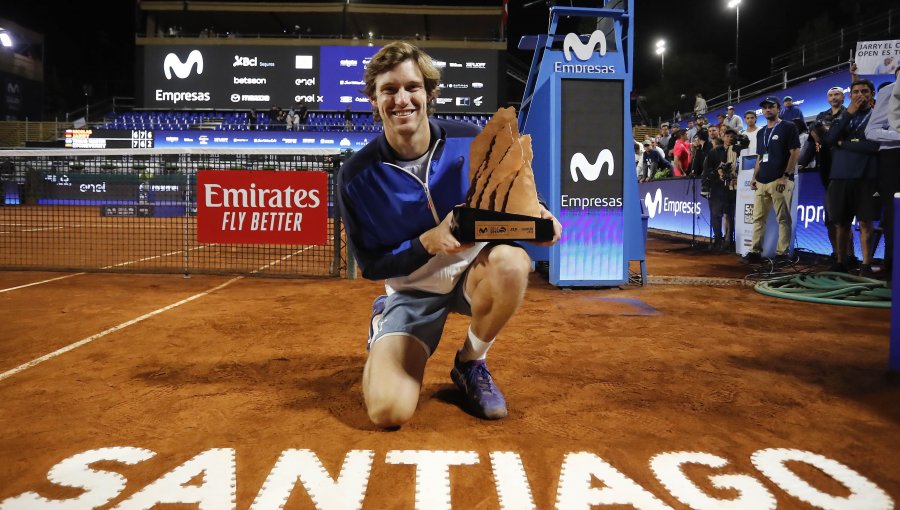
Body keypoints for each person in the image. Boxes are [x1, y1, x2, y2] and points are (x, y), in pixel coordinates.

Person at [336, 41, 562, 428]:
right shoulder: (356, 176)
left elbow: (517, 194)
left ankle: (471, 363)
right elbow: (371, 265)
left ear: (429, 93)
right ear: (374, 99)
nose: (401, 99)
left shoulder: (472, 138)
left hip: (474, 271)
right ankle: (384, 323)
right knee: (388, 412)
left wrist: (540, 215)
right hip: (412, 290)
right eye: (388, 90)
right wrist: (426, 242)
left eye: (412, 87)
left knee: (511, 263)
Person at [824, 79, 880, 275]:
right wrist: (848, 114)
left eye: (864, 91)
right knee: (841, 223)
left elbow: (875, 146)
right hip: (840, 177)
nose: (860, 95)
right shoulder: (842, 117)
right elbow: (829, 140)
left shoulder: (878, 117)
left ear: (872, 94)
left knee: (865, 222)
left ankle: (866, 264)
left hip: (867, 177)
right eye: (855, 91)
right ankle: (841, 261)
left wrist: (845, 145)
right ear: (850, 96)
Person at [742, 96, 801, 264]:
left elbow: (795, 152)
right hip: (762, 181)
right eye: (765, 107)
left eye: (771, 106)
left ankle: (782, 254)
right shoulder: (761, 132)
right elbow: (760, 156)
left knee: (783, 219)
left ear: (778, 108)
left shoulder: (788, 127)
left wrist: (785, 176)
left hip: (779, 180)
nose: (768, 109)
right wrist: (754, 177)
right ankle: (755, 251)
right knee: (758, 218)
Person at [865, 69, 900, 280]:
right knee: (895, 214)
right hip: (893, 159)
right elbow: (871, 131)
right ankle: (893, 268)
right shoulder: (888, 91)